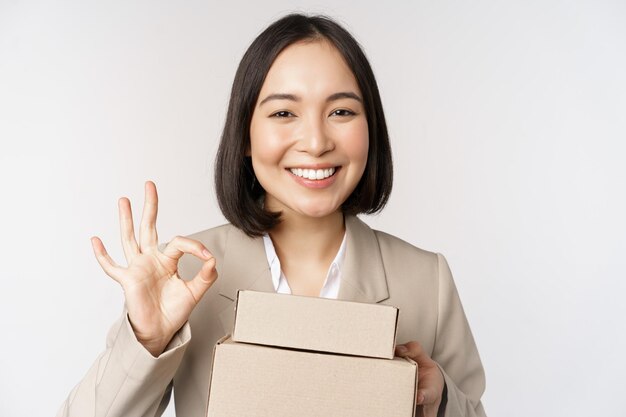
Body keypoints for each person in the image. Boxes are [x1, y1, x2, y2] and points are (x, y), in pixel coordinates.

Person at [57, 13, 486, 417]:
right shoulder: (184, 272)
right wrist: (146, 340)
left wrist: (442, 397)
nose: (316, 142)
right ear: (244, 135)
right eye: (284, 113)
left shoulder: (426, 279)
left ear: (370, 129)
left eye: (341, 112)